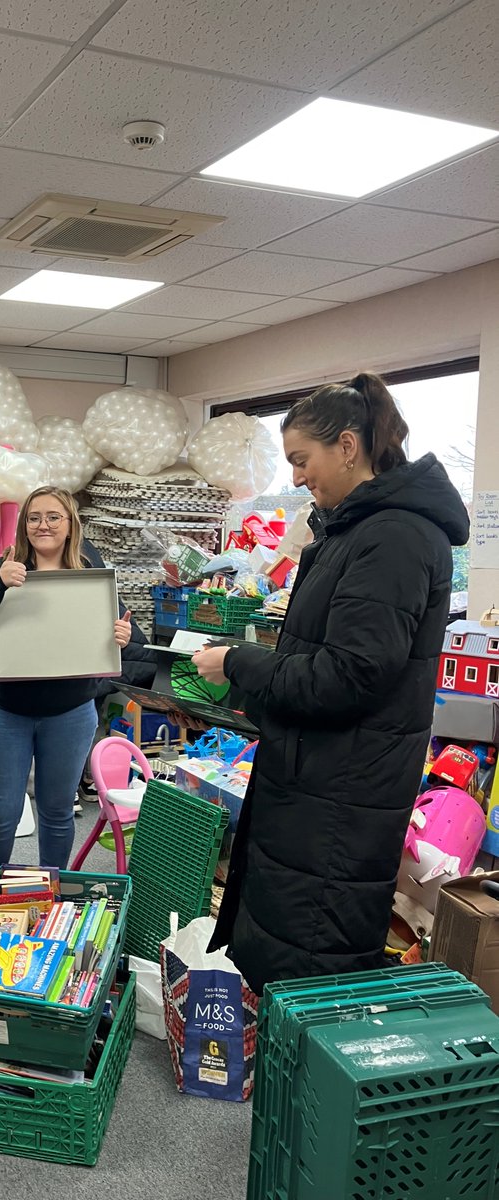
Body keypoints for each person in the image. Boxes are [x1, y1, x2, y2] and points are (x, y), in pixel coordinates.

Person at [192, 371, 469, 995]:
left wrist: (238, 662)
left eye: (301, 460)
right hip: (315, 781)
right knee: (287, 955)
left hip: (340, 795)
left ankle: (300, 1087)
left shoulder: (394, 537)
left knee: (314, 965)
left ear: (348, 446)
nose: (294, 478)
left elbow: (348, 676)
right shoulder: (354, 531)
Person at [0, 487, 132, 879]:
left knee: (56, 810)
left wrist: (121, 632)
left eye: (54, 516)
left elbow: (117, 624)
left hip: (70, 712)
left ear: (70, 525)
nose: (43, 525)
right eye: (34, 517)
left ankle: (51, 891)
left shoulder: (88, 567)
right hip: (7, 712)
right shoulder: (7, 565)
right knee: (0, 811)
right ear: (24, 525)